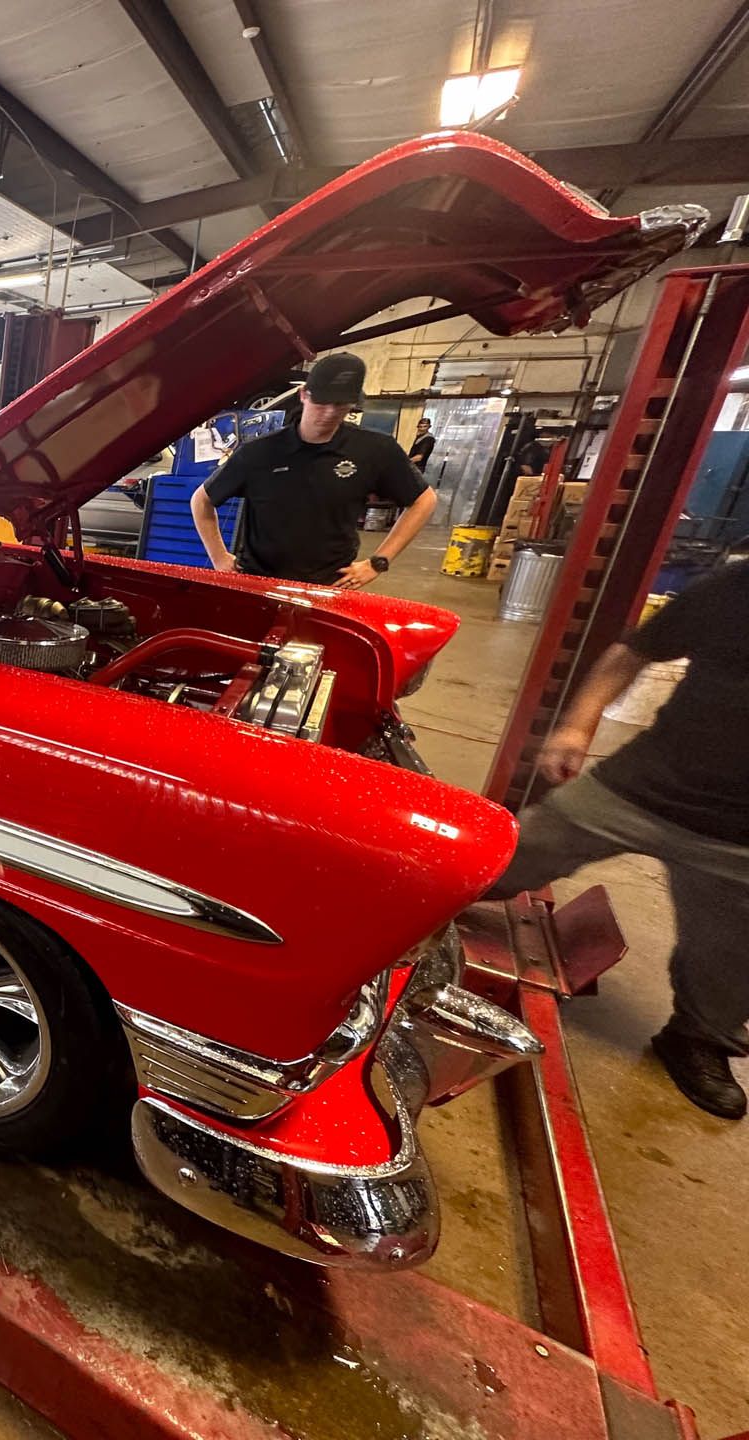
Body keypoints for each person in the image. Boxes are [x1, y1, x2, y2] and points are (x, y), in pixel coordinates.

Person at [485, 556, 749, 1117]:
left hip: (741, 839)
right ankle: (414, 916)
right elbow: (631, 653)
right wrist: (579, 725)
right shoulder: (733, 587)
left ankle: (697, 1039)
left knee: (731, 964)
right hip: (646, 784)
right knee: (511, 855)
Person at [190, 353, 440, 588]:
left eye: (341, 405)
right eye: (323, 402)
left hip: (330, 585)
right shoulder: (259, 453)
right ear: (303, 395)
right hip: (259, 582)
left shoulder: (375, 450)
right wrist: (219, 558)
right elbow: (201, 501)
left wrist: (378, 562)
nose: (330, 413)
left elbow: (424, 500)